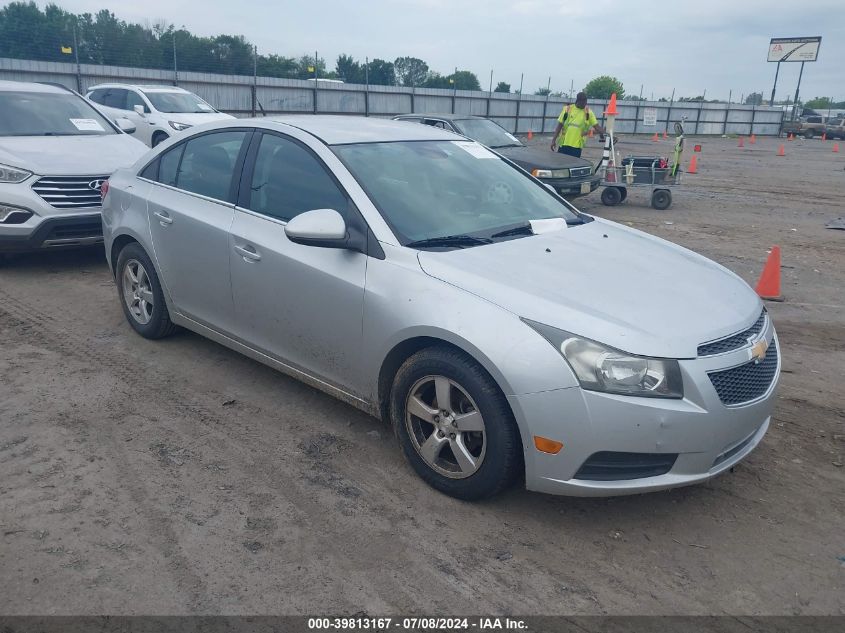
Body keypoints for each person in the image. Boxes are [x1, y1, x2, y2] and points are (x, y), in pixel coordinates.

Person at [550, 92, 606, 157]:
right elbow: (559, 126)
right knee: (560, 165)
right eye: (583, 103)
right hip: (564, 144)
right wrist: (553, 141)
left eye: (585, 103)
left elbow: (597, 127)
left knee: (574, 166)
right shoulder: (567, 109)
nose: (584, 105)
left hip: (577, 147)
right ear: (578, 101)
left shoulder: (588, 112)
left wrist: (606, 133)